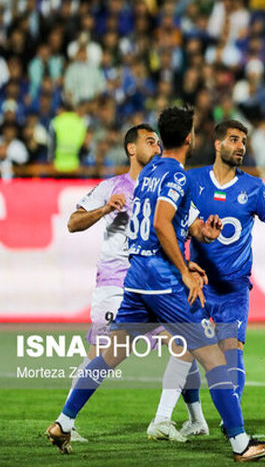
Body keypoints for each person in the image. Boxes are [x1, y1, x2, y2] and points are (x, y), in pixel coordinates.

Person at [45, 106, 265, 462]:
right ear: (190, 138)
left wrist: (204, 232)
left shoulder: (150, 173)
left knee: (110, 354)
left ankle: (64, 422)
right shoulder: (176, 174)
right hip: (162, 280)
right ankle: (240, 444)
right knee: (214, 357)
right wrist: (185, 271)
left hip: (137, 277)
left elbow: (179, 223)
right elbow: (161, 224)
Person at [148, 119, 265, 439]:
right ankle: (169, 418)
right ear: (217, 144)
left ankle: (232, 419)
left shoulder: (254, 188)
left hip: (234, 287)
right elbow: (171, 223)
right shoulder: (191, 180)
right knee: (183, 349)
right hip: (197, 284)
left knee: (231, 348)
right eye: (233, 139)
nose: (240, 146)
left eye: (243, 140)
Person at [61, 124, 160, 442]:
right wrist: (105, 208)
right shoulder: (112, 186)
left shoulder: (163, 188)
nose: (156, 146)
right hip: (115, 283)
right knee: (100, 354)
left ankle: (183, 420)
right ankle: (65, 422)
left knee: (185, 340)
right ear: (132, 149)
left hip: (151, 283)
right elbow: (73, 223)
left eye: (158, 142)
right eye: (149, 142)